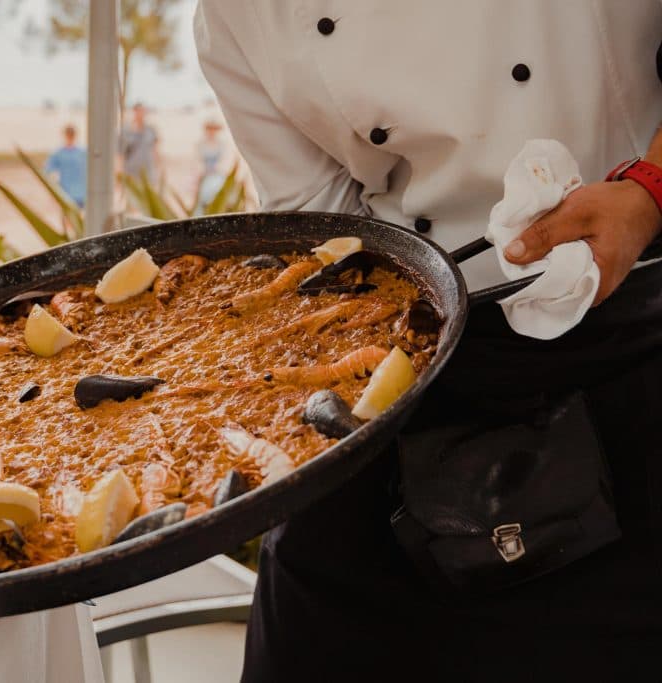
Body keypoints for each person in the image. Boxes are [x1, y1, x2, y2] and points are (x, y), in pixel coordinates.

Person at [195, 2, 662, 681]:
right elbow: (326, 228)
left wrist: (649, 192)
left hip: (624, 322)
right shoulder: (233, 16)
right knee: (308, 620)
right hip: (407, 354)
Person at [44, 124, 87, 208]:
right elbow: (49, 171)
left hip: (81, 193)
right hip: (65, 193)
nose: (70, 137)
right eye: (68, 134)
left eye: (72, 134)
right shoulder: (58, 153)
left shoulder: (83, 152)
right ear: (64, 135)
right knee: (67, 217)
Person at [119, 102, 161, 183]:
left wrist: (158, 168)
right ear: (134, 112)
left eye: (143, 111)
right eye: (138, 111)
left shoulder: (151, 130)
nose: (141, 114)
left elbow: (155, 150)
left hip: (148, 171)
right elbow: (120, 153)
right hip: (130, 172)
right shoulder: (126, 131)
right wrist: (120, 171)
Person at [196, 118, 227, 213]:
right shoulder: (201, 144)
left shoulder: (221, 144)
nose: (211, 132)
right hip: (205, 174)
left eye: (213, 129)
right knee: (203, 196)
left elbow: (224, 161)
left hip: (217, 174)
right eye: (210, 129)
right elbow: (198, 161)